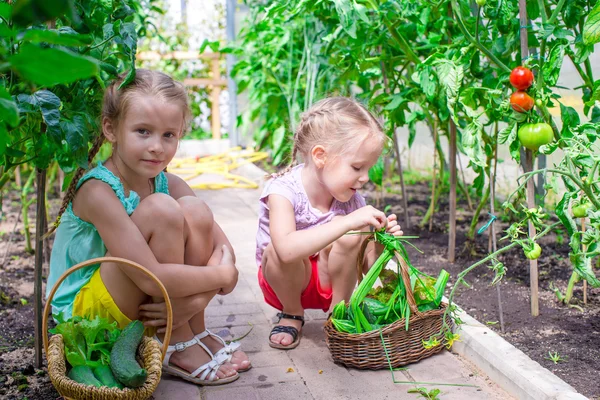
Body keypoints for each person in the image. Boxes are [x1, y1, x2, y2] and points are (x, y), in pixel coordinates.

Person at [45, 69, 250, 385]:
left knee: (194, 210)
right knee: (162, 211)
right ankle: (176, 343)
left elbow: (223, 251)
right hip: (85, 316)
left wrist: (199, 299)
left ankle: (195, 330)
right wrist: (223, 277)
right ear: (111, 129)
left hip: (135, 295)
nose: (158, 146)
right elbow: (151, 278)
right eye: (143, 131)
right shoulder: (98, 191)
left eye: (169, 135)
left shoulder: (167, 182)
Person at [255, 97, 403, 350]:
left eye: (369, 168)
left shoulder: (354, 201)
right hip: (284, 284)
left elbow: (368, 269)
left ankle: (338, 312)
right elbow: (286, 250)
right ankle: (292, 314)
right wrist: (346, 223)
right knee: (278, 249)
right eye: (357, 167)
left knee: (351, 230)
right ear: (321, 156)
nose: (365, 177)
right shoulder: (283, 190)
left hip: (331, 282)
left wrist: (380, 244)